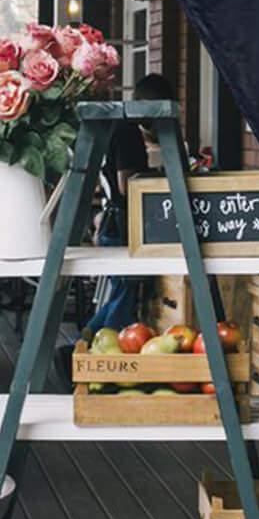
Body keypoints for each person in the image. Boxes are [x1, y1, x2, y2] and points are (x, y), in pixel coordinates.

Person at [83, 73, 173, 339]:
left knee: (123, 292)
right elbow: (128, 184)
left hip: (112, 222)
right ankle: (91, 350)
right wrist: (160, 179)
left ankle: (82, 345)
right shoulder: (128, 133)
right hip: (122, 225)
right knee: (125, 295)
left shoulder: (115, 127)